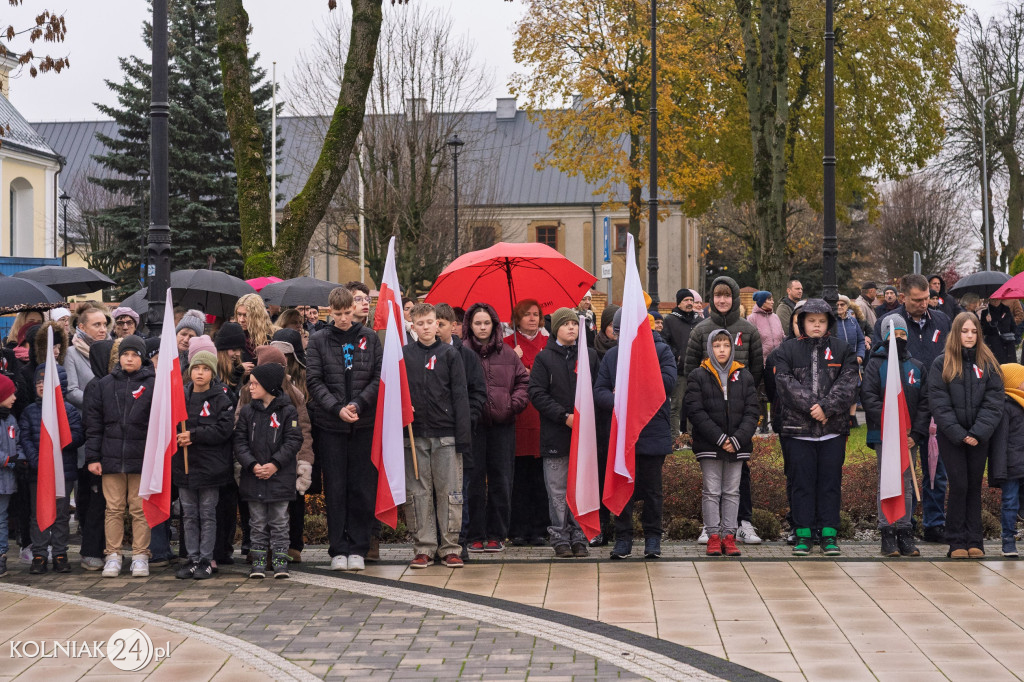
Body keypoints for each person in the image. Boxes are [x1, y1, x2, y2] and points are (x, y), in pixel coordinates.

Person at [774, 299, 859, 556]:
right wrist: (814, 406)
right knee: (801, 484)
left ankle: (829, 535)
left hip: (832, 430)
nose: (816, 326)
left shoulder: (843, 350)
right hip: (798, 432)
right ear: (801, 322)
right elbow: (784, 383)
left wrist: (827, 408)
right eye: (811, 321)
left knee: (830, 484)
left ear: (829, 324)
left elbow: (849, 383)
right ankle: (803, 534)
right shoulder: (786, 350)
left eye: (821, 321)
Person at [306, 287, 382, 572]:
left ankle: (359, 546)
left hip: (363, 423)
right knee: (335, 487)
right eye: (337, 314)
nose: (342, 319)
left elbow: (377, 376)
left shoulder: (369, 337)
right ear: (329, 312)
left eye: (347, 313)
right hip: (332, 425)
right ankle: (338, 547)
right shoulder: (318, 340)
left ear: (354, 308)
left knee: (361, 487)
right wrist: (337, 407)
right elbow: (314, 381)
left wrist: (359, 404)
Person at [684, 276, 763, 545]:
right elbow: (691, 370)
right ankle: (711, 528)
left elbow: (756, 369)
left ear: (735, 298)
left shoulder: (749, 330)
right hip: (711, 421)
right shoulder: (700, 329)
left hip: (740, 418)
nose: (722, 300)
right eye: (717, 295)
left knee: (739, 478)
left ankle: (742, 523)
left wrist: (744, 424)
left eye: (727, 295)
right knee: (712, 483)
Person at [874, 273, 952, 543]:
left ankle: (934, 523)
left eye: (927, 298)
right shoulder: (889, 322)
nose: (924, 304)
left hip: (938, 402)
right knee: (904, 471)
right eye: (918, 300)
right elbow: (879, 359)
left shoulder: (941, 320)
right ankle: (906, 522)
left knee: (936, 469)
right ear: (903, 297)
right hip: (905, 406)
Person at [595, 308, 677, 559]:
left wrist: (631, 391)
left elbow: (667, 383)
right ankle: (623, 538)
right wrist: (616, 400)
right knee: (623, 486)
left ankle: (653, 538)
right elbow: (600, 391)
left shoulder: (661, 351)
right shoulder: (611, 357)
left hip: (651, 431)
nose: (621, 337)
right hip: (622, 435)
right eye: (617, 332)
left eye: (625, 331)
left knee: (652, 490)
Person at [926, 312, 1004, 559]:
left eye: (973, 331)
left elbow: (994, 402)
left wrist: (978, 432)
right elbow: (939, 403)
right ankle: (956, 541)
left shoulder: (989, 363)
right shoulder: (942, 363)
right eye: (964, 331)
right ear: (956, 333)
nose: (969, 336)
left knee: (973, 486)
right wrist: (959, 434)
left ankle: (975, 541)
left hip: (979, 437)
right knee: (958, 485)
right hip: (952, 438)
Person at [400, 304, 471, 568]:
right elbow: (397, 393)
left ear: (438, 325)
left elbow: (461, 396)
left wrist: (462, 437)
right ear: (413, 326)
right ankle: (424, 547)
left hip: (446, 435)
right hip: (415, 434)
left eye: (431, 322)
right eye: (421, 323)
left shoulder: (450, 354)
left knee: (450, 492)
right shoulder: (405, 355)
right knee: (418, 494)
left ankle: (450, 547)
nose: (427, 327)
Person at [528, 307, 598, 559]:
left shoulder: (589, 356)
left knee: (582, 487)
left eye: (574, 324)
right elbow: (536, 393)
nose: (572, 328)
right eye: (566, 324)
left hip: (585, 438)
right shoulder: (544, 358)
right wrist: (563, 416)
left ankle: (580, 536)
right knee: (557, 490)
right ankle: (559, 537)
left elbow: (597, 389)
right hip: (556, 434)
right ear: (556, 328)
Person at [84, 336, 156, 578]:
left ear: (142, 358)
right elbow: (93, 425)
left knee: (139, 509)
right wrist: (93, 457)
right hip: (111, 457)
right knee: (113, 509)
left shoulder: (154, 385)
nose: (129, 358)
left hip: (141, 458)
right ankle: (113, 554)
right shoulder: (104, 384)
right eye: (126, 354)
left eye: (135, 354)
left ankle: (140, 555)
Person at [463, 303, 529, 552]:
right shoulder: (461, 351)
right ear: (470, 325)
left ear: (494, 325)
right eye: (477, 323)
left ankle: (497, 534)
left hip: (503, 426)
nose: (482, 327)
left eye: (486, 323)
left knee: (501, 480)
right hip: (473, 427)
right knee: (474, 481)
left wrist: (513, 404)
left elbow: (523, 381)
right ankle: (475, 534)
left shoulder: (509, 354)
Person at [860, 317, 928, 557]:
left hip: (909, 437)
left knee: (907, 482)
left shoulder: (916, 366)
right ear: (883, 336)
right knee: (887, 481)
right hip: (884, 435)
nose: (897, 338)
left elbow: (925, 402)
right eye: (892, 333)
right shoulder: (875, 365)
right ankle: (887, 533)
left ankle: (905, 531)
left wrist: (916, 432)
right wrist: (890, 427)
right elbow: (869, 397)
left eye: (901, 333)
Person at [234, 363, 303, 579]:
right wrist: (252, 465)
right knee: (257, 522)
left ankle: (280, 561)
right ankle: (259, 562)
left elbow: (293, 441)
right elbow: (240, 442)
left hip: (279, 477)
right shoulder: (247, 412)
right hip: (254, 478)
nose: (250, 388)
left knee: (280, 521)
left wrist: (274, 464)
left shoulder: (288, 410)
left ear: (269, 386)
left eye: (255, 384)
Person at [172, 351, 235, 580]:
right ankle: (192, 558)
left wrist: (195, 435)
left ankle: (207, 559)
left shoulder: (221, 398)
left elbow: (224, 430)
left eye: (206, 369)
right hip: (184, 467)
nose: (200, 373)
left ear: (212, 373)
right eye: (196, 368)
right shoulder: (181, 396)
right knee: (188, 514)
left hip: (210, 468)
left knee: (207, 513)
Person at [252, 343, 315, 564]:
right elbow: (239, 425)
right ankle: (261, 548)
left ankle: (289, 546)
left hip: (287, 460)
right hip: (258, 461)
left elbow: (303, 429)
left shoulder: (294, 394)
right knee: (259, 509)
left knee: (288, 507)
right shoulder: (249, 391)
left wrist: (304, 460)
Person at [433, 303, 485, 560]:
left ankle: (458, 541)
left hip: (460, 435)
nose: (436, 329)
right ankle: (434, 543)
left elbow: (478, 392)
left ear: (453, 325)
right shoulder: (424, 355)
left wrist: (469, 417)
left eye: (442, 324)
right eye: (434, 323)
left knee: (457, 492)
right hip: (431, 433)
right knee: (434, 491)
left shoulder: (466, 357)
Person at [505, 299, 551, 546]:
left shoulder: (548, 344)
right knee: (518, 479)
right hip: (518, 419)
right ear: (517, 318)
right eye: (526, 314)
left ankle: (539, 528)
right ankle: (518, 529)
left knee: (540, 479)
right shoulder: (507, 345)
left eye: (536, 314)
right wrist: (512, 359)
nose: (532, 318)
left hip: (543, 419)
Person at [990, 362, 1024, 557]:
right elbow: (1000, 442)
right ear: (1013, 382)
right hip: (1011, 466)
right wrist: (1000, 469)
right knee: (1010, 502)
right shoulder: (1005, 406)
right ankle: (1008, 541)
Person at [663, 289, 699, 437]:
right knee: (676, 405)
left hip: (697, 370)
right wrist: (676, 355)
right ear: (679, 303)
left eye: (691, 300)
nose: (689, 303)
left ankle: (693, 436)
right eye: (686, 300)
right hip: (679, 370)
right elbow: (665, 341)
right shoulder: (670, 320)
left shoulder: (699, 321)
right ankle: (674, 438)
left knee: (695, 404)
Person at [0, 375, 18, 578]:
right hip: (4, 471)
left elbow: (18, 442)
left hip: (6, 481)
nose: (14, 397)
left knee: (2, 519)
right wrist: (7, 460)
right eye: (10, 393)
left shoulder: (11, 419)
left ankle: (1, 556)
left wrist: (17, 458)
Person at [233, 293, 276, 363]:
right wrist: (238, 369)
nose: (241, 320)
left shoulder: (271, 336)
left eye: (246, 315)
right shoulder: (233, 336)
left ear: (257, 316)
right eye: (239, 314)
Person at [981, 298, 1017, 364]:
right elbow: (984, 331)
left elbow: (1013, 325)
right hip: (994, 345)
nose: (996, 301)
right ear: (989, 300)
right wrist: (987, 322)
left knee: (1011, 366)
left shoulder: (1006, 309)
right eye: (993, 300)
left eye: (997, 299)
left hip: (1008, 343)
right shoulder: (986, 312)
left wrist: (1012, 337)